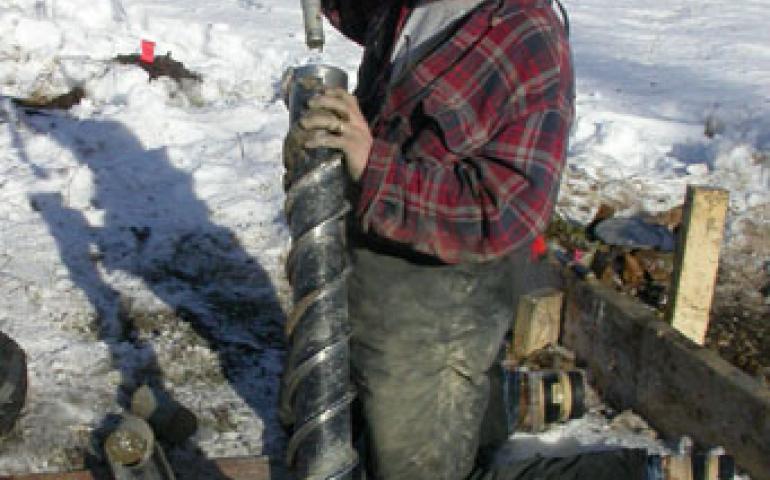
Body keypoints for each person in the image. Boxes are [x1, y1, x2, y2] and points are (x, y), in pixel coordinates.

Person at [289, 1, 733, 479]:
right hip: (370, 273)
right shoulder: (417, 6)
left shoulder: (529, 41)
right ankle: (495, 404)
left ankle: (641, 473)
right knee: (329, 422)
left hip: (443, 304)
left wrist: (373, 164)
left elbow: (505, 212)